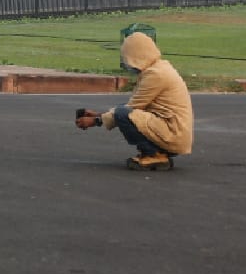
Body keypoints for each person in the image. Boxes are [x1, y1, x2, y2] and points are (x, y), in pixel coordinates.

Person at [75, 31, 193, 171]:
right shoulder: (157, 68)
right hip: (172, 131)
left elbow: (132, 108)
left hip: (173, 134)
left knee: (122, 114)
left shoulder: (156, 75)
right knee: (122, 111)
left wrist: (95, 121)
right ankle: (157, 153)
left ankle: (154, 155)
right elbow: (133, 106)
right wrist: (98, 115)